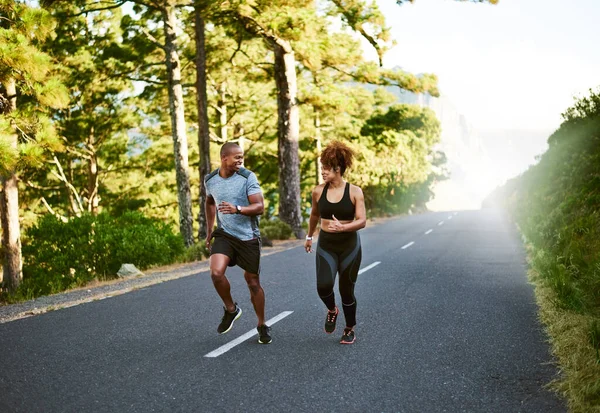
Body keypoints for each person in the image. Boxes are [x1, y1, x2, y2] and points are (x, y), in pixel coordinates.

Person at [204, 142, 271, 344]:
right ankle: (231, 309)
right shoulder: (210, 180)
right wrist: (209, 231)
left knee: (252, 282)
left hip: (248, 237)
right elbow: (209, 202)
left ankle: (262, 324)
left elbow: (259, 206)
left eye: (242, 157)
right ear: (224, 158)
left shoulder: (247, 177)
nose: (240, 160)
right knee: (216, 272)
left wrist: (238, 209)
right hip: (225, 234)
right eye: (237, 157)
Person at [305, 140, 367, 344]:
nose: (322, 172)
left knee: (346, 290)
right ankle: (332, 310)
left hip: (349, 246)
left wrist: (344, 227)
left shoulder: (354, 191)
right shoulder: (317, 191)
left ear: (338, 169)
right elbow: (314, 215)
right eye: (321, 168)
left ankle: (349, 328)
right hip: (326, 245)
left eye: (326, 169)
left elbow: (362, 221)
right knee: (323, 286)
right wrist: (309, 236)